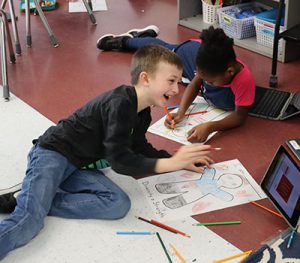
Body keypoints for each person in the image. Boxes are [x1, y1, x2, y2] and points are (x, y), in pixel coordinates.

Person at [0, 45, 214, 260]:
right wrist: (171, 164)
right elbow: (119, 161)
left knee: (118, 204)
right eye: (171, 81)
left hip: (79, 165)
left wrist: (177, 161)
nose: (177, 89)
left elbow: (139, 148)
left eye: (178, 82)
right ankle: (32, 205)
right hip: (53, 153)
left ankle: (32, 200)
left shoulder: (143, 113)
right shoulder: (120, 103)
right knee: (30, 221)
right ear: (146, 78)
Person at [97, 26, 256, 143]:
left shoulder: (244, 80)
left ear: (229, 72)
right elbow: (195, 84)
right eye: (204, 78)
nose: (207, 83)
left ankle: (141, 37)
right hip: (189, 54)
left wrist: (210, 126)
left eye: (211, 82)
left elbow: (239, 117)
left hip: (195, 65)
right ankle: (126, 40)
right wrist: (181, 112)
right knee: (160, 53)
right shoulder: (208, 65)